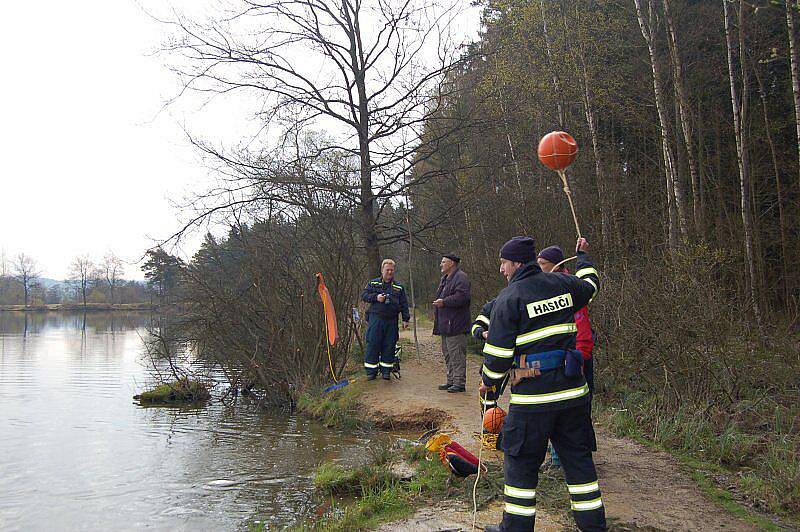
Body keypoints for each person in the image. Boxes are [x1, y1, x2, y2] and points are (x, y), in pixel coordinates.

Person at [480, 236, 605, 532]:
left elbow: (497, 358)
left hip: (532, 403)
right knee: (579, 465)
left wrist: (489, 386)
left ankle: (515, 529)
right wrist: (583, 256)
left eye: (504, 263)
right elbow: (591, 286)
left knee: (521, 467)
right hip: (574, 397)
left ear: (517, 263)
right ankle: (594, 527)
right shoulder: (563, 284)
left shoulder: (509, 299)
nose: (501, 270)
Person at [537, 245, 599, 463]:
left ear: (556, 265)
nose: (539, 268)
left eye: (543, 264)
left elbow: (581, 324)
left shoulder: (566, 288)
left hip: (576, 356)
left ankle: (564, 458)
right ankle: (574, 454)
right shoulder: (557, 285)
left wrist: (583, 257)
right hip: (572, 355)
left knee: (570, 410)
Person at [360, 259, 410, 380]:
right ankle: (371, 372)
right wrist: (376, 297)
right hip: (376, 319)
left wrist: (405, 319)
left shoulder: (399, 286)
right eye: (387, 270)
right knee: (373, 343)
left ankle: (386, 371)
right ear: (382, 270)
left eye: (392, 270)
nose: (389, 272)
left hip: (392, 320)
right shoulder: (373, 283)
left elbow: (404, 303)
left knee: (389, 345)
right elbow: (364, 295)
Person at [432, 253, 472, 393]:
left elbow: (463, 297)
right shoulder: (445, 279)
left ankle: (459, 383)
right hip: (445, 325)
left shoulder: (461, 277)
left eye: (443, 262)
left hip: (456, 325)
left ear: (452, 263)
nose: (441, 264)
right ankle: (451, 380)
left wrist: (444, 302)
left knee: (457, 355)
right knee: (448, 354)